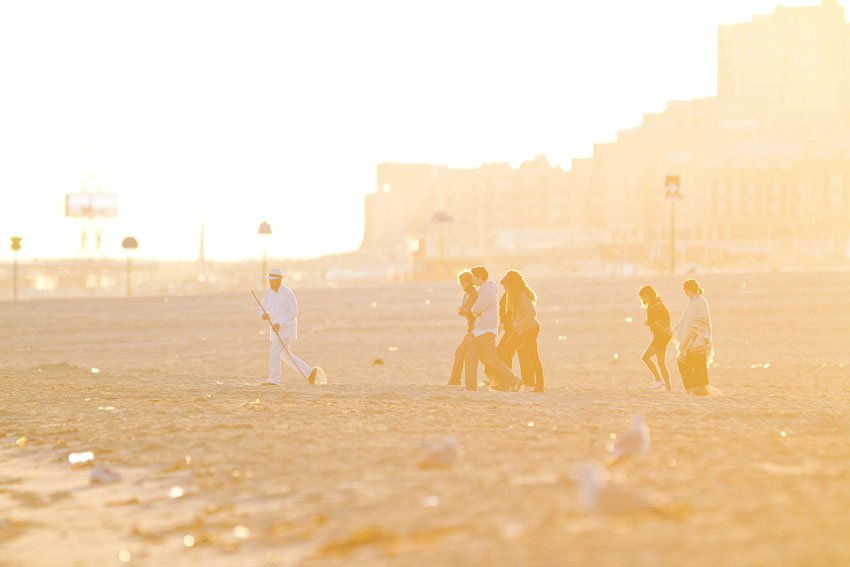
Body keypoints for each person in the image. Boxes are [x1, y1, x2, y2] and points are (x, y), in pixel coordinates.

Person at [462, 266, 523, 392]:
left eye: (473, 277)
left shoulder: (488, 290)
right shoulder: (483, 289)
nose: (472, 279)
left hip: (486, 330)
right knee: (470, 357)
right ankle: (470, 387)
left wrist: (473, 310)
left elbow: (476, 309)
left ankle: (515, 381)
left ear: (480, 277)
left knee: (491, 359)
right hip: (479, 330)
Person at [259, 267, 319, 385]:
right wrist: (263, 314)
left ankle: (274, 380)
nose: (270, 282)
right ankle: (309, 372)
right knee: (284, 354)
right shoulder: (268, 292)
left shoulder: (287, 293)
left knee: (274, 351)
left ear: (279, 280)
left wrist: (281, 324)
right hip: (274, 328)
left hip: (286, 329)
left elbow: (293, 313)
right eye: (269, 280)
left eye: (272, 280)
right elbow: (262, 307)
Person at [499, 271, 545, 392]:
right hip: (523, 330)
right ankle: (535, 385)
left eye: (506, 285)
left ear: (512, 284)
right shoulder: (512, 294)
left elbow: (532, 313)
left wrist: (519, 325)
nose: (505, 288)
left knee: (528, 356)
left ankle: (511, 382)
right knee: (527, 356)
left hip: (529, 329)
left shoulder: (522, 294)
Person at [673, 278, 713, 395]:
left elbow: (702, 320)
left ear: (690, 289)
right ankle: (698, 388)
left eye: (686, 289)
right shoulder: (691, 301)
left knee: (688, 362)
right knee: (693, 362)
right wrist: (675, 328)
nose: (685, 292)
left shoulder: (701, 301)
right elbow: (685, 320)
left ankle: (697, 388)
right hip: (691, 337)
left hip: (698, 337)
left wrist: (693, 336)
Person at [638, 285, 672, 391]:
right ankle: (668, 387)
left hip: (660, 337)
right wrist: (651, 323)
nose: (644, 299)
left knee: (645, 357)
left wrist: (652, 324)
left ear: (650, 295)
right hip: (663, 336)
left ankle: (658, 380)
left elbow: (658, 322)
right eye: (642, 297)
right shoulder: (658, 304)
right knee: (661, 363)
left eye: (645, 296)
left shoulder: (654, 307)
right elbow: (661, 320)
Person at [448, 270, 478, 386]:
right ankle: (455, 380)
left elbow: (470, 311)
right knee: (461, 352)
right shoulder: (467, 294)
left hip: (475, 329)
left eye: (463, 282)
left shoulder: (474, 294)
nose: (461, 285)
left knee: (461, 352)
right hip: (470, 328)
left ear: (470, 282)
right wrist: (463, 310)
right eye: (460, 283)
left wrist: (464, 310)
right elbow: (463, 310)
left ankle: (454, 380)